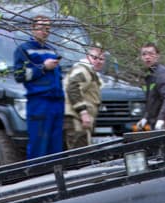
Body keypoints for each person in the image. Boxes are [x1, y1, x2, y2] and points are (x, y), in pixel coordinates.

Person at [13, 15, 64, 158]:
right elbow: (19, 75)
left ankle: (55, 178)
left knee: (56, 148)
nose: (45, 32)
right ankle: (36, 178)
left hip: (57, 102)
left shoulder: (52, 50)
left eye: (47, 29)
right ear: (33, 29)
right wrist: (43, 67)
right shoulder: (23, 50)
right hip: (39, 102)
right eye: (41, 28)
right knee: (38, 147)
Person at [63, 44, 104, 150]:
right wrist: (83, 112)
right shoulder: (84, 70)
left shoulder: (91, 72)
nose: (98, 61)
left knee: (81, 152)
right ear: (87, 57)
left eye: (101, 59)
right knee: (79, 155)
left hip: (80, 120)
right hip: (75, 119)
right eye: (94, 57)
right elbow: (73, 87)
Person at [136, 43, 165, 131]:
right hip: (154, 123)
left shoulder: (162, 74)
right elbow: (152, 101)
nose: (147, 57)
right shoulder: (150, 75)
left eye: (150, 54)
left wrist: (162, 119)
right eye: (144, 54)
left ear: (157, 56)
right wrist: (145, 117)